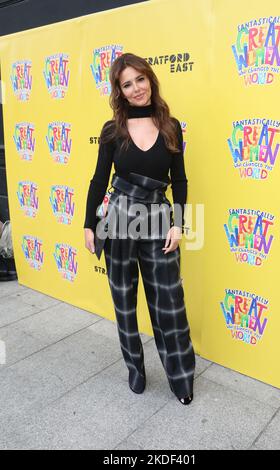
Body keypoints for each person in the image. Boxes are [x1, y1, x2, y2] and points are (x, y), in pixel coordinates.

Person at [84, 53, 195, 405]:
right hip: (118, 218)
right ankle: (135, 369)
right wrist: (89, 225)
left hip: (160, 220)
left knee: (169, 304)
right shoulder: (112, 130)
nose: (136, 89)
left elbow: (179, 179)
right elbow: (99, 179)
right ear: (119, 90)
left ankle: (181, 379)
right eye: (127, 84)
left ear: (151, 79)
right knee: (124, 301)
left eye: (140, 80)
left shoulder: (171, 126)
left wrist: (180, 224)